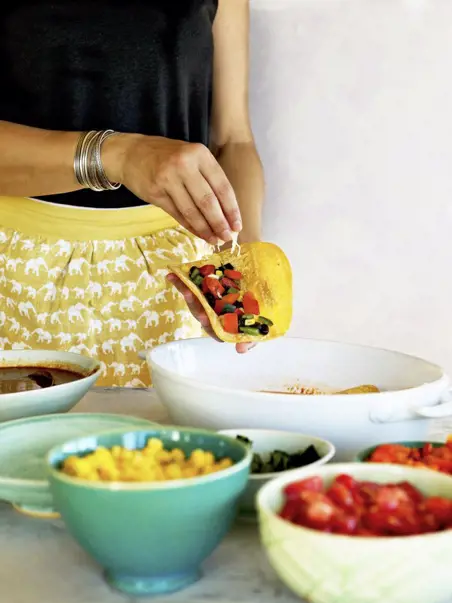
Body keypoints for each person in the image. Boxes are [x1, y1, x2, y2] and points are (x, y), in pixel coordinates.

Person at [0, 0, 264, 387]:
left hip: (173, 280)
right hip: (14, 272)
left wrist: (244, 260)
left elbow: (233, 140)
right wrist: (119, 154)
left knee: (166, 444)